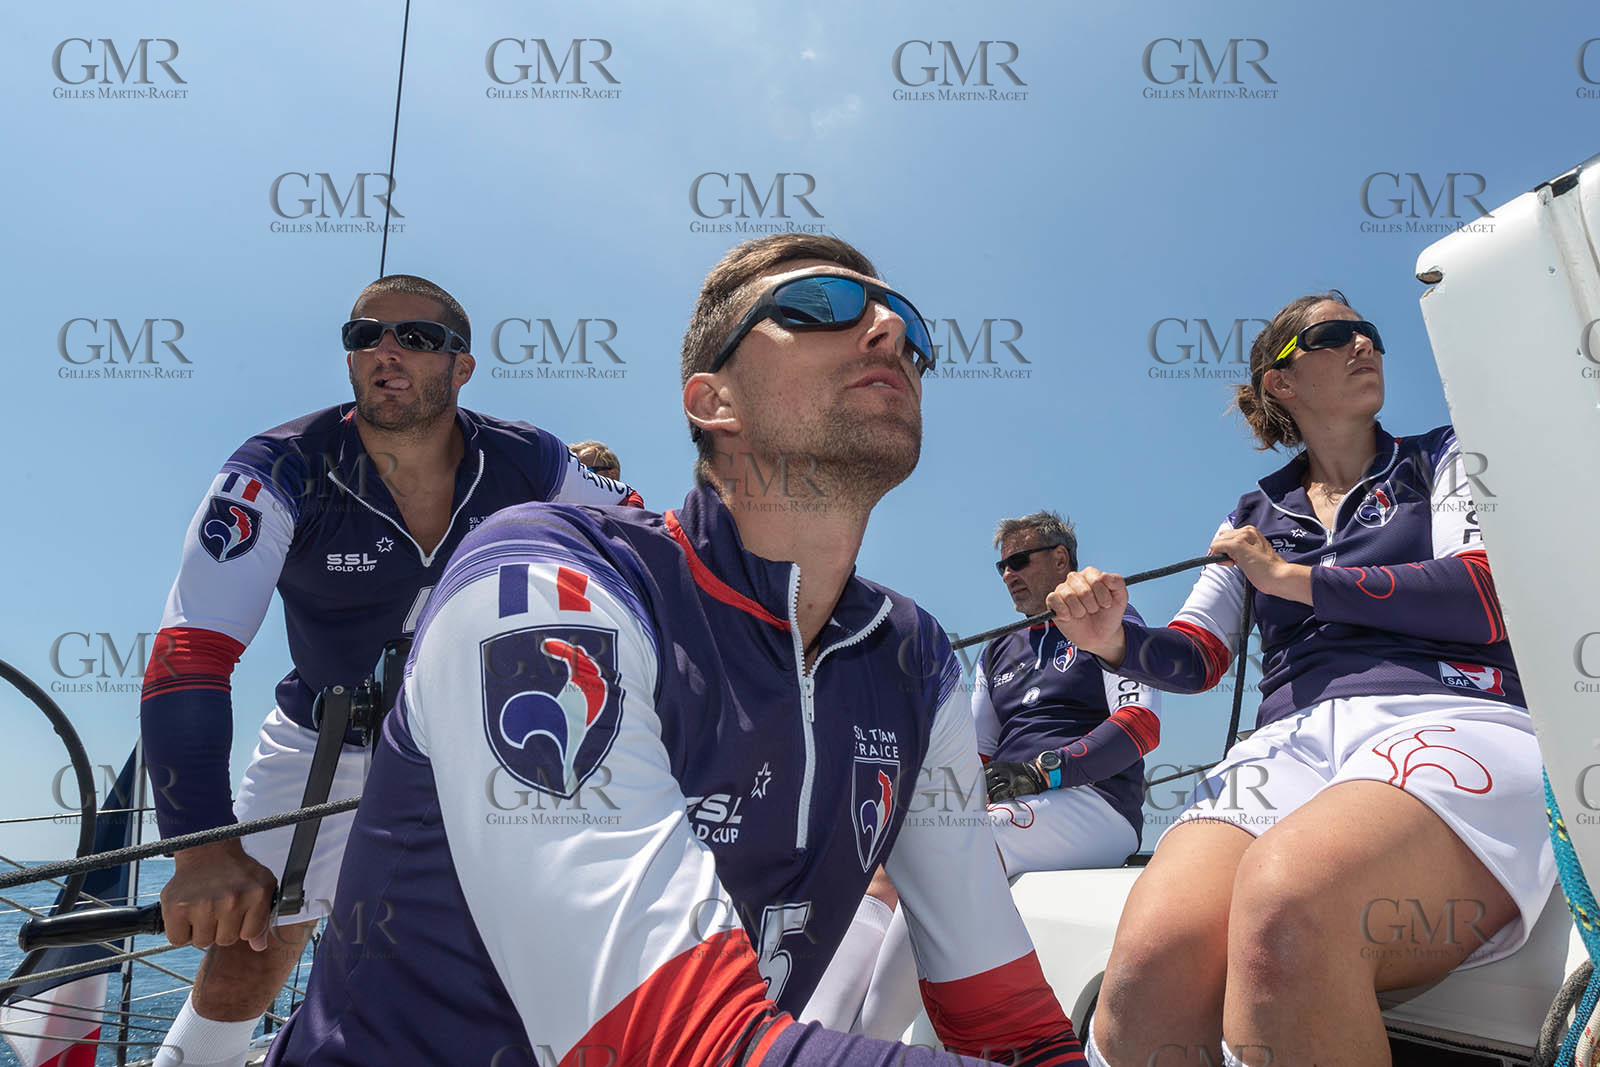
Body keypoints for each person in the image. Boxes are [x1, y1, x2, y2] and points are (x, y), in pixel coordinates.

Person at [265, 235, 1086, 1066]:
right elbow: (672, 1046)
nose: (890, 331)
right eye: (820, 308)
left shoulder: (916, 660)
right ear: (713, 400)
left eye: (908, 324)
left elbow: (1006, 1020)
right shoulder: (541, 575)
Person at [139, 274, 643, 1067]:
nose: (387, 351)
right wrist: (200, 850)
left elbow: (643, 533)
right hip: (322, 741)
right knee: (248, 955)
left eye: (417, 337)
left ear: (462, 366)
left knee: (523, 951)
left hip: (483, 748)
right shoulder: (278, 470)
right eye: (364, 335)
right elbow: (190, 651)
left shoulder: (529, 459)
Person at [1048, 292, 1552, 1067]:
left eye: (1368, 332)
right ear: (1280, 382)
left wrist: (1294, 580)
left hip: (1451, 713)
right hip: (1289, 743)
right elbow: (1197, 654)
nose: (1365, 343)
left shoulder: (1444, 455)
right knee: (1148, 969)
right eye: (1335, 334)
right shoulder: (1254, 513)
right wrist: (1111, 638)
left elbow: (1483, 592)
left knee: (1289, 907)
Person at [810, 512, 1160, 1039]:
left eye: (1019, 561)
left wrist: (1044, 772)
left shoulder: (1112, 619)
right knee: (886, 862)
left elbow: (1141, 724)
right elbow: (972, 754)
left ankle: (864, 1044)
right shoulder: (1000, 649)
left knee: (959, 845)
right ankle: (814, 1030)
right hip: (1014, 800)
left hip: (1096, 804)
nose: (1008, 575)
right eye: (1001, 567)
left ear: (1060, 559)